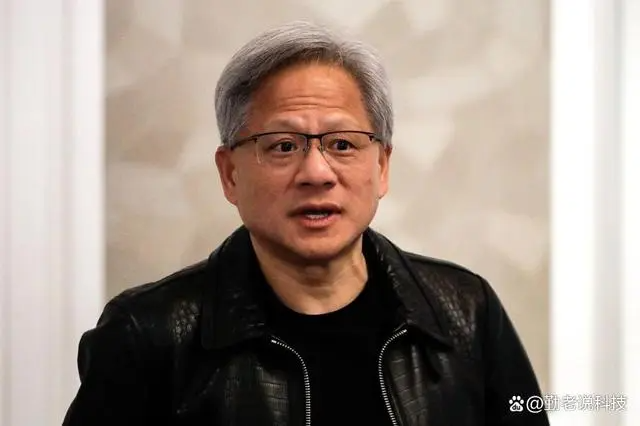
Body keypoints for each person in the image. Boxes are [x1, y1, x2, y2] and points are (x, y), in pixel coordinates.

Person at [63, 21, 549, 426]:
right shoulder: (146, 335)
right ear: (230, 174)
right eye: (283, 146)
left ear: (382, 167)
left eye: (342, 144)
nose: (317, 172)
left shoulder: (466, 311)